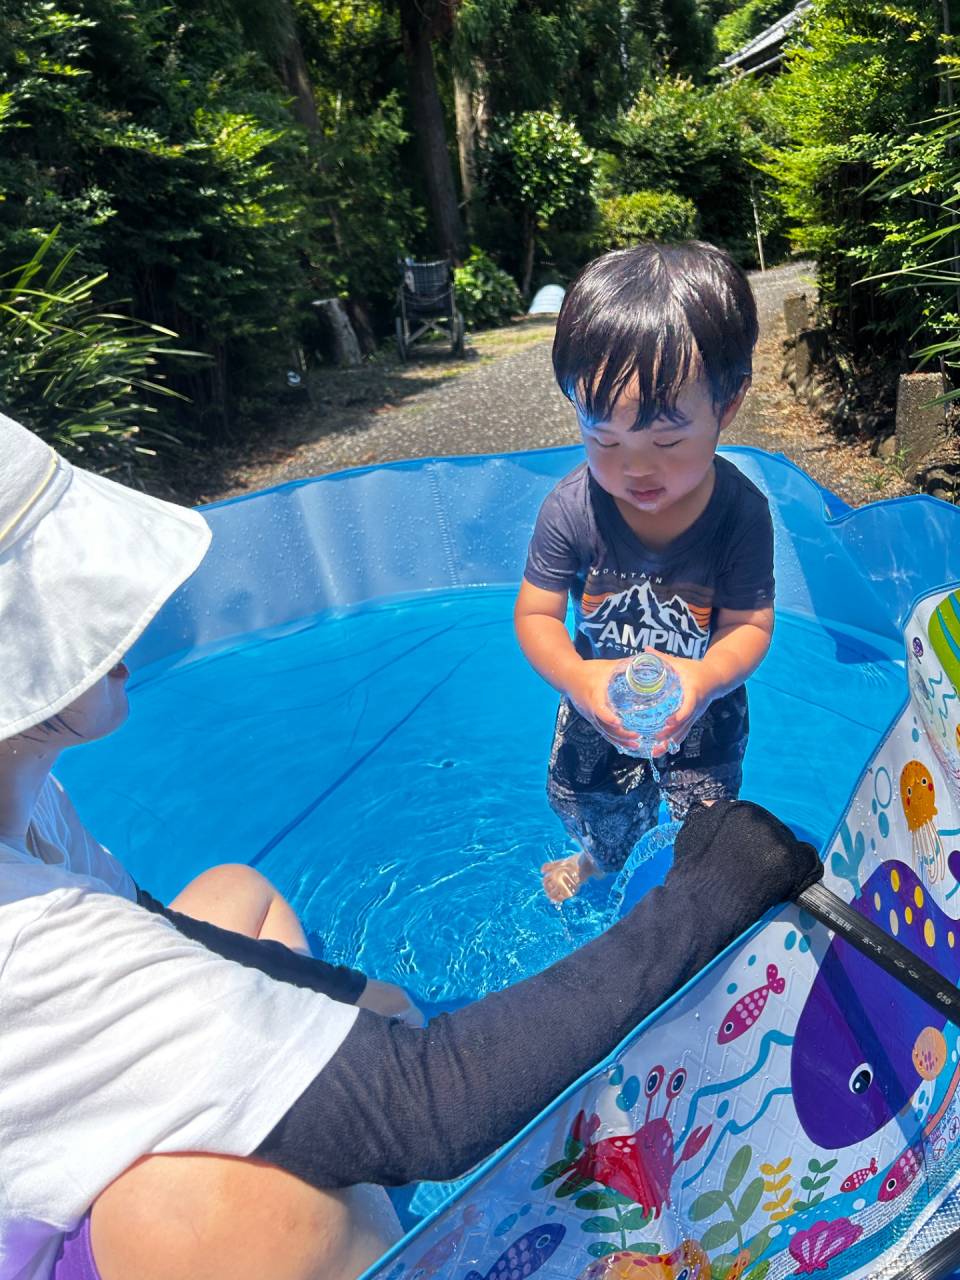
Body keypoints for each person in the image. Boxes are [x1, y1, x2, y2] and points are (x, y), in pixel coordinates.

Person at [0, 412, 820, 1280]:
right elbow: (428, 1110)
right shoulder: (30, 937)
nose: (132, 617)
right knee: (267, 1218)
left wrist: (353, 999)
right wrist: (711, 893)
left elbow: (151, 923)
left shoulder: (29, 792)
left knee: (238, 893)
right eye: (85, 605)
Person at [515, 241, 776, 903]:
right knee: (595, 807)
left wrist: (706, 679)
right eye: (603, 438)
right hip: (597, 700)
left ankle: (691, 885)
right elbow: (537, 613)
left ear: (728, 404)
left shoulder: (740, 514)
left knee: (705, 821)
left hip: (704, 703)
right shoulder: (571, 509)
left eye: (667, 441)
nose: (634, 468)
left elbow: (748, 625)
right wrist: (577, 678)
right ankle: (599, 861)